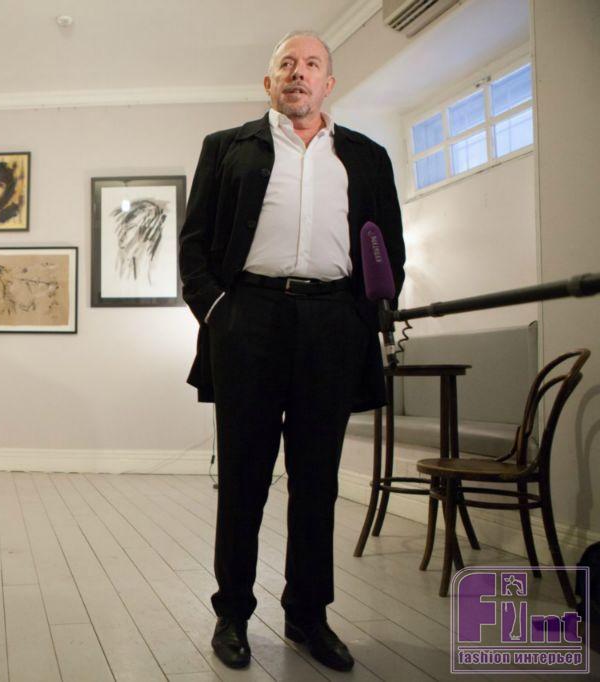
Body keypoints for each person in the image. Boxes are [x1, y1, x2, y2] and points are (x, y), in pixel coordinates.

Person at [178, 31, 405, 672]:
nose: (297, 73)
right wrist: (219, 313)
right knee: (243, 478)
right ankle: (232, 614)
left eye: (311, 64)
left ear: (328, 83)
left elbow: (390, 248)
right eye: (286, 63)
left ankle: (308, 616)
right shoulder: (226, 148)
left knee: (317, 482)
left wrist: (361, 319)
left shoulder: (367, 157)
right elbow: (193, 244)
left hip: (332, 324)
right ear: (269, 81)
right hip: (248, 318)